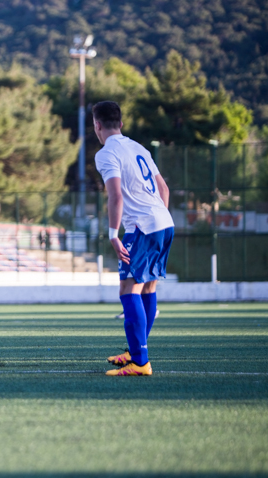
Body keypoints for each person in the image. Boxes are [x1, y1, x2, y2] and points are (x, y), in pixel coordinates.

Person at [93, 101, 175, 377]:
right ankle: (134, 351)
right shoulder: (138, 147)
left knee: (128, 291)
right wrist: (158, 217)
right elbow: (163, 188)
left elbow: (115, 195)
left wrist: (114, 235)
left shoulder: (106, 154)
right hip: (164, 223)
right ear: (122, 124)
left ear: (97, 125)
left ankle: (140, 362)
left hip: (143, 227)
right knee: (148, 290)